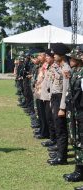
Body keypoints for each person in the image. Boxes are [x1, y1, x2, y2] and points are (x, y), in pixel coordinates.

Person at [47, 43, 71, 165]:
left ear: (61, 55)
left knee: (61, 129)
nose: (54, 55)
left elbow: (66, 90)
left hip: (61, 100)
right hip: (55, 98)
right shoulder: (59, 66)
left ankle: (62, 157)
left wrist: (62, 107)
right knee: (57, 127)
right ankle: (60, 153)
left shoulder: (66, 69)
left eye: (55, 53)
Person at [63, 47, 83, 182]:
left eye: (73, 57)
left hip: (81, 113)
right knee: (77, 141)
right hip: (76, 113)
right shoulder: (76, 72)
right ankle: (79, 171)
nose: (70, 60)